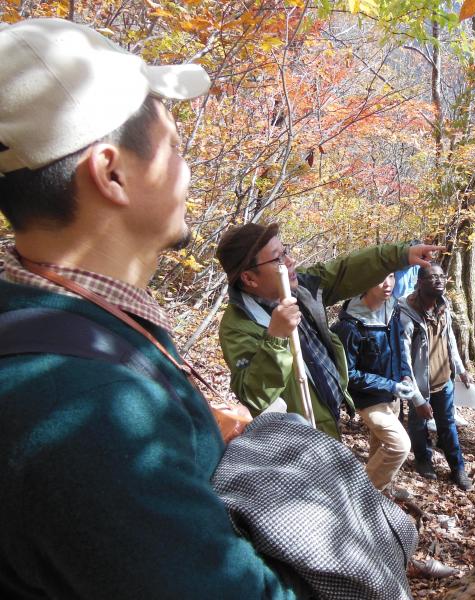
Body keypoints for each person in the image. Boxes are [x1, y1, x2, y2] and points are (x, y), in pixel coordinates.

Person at [0, 18, 304, 598]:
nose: (187, 171)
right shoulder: (84, 407)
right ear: (111, 173)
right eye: (177, 148)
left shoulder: (50, 327)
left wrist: (194, 433)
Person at [215, 223, 442, 439]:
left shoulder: (301, 288)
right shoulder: (239, 324)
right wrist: (276, 338)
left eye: (286, 251)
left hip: (328, 414)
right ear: (249, 278)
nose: (291, 261)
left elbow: (345, 271)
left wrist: (400, 255)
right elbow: (254, 395)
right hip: (297, 436)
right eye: (278, 258)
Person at [331, 273, 415, 493]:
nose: (387, 284)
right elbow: (348, 374)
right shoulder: (350, 326)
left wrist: (404, 375)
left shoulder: (393, 310)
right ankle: (361, 496)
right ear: (364, 283)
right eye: (379, 278)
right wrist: (391, 385)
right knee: (399, 446)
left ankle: (383, 488)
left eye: (390, 276)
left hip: (392, 395)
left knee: (380, 447)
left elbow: (399, 351)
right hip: (368, 399)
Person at [397, 263, 474, 491]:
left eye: (441, 276)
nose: (439, 280)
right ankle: (423, 458)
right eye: (432, 277)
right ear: (419, 282)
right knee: (418, 423)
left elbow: (449, 338)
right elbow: (404, 358)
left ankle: (457, 467)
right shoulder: (407, 314)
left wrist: (459, 368)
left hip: (444, 381)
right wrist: (417, 398)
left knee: (447, 425)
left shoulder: (443, 307)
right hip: (419, 385)